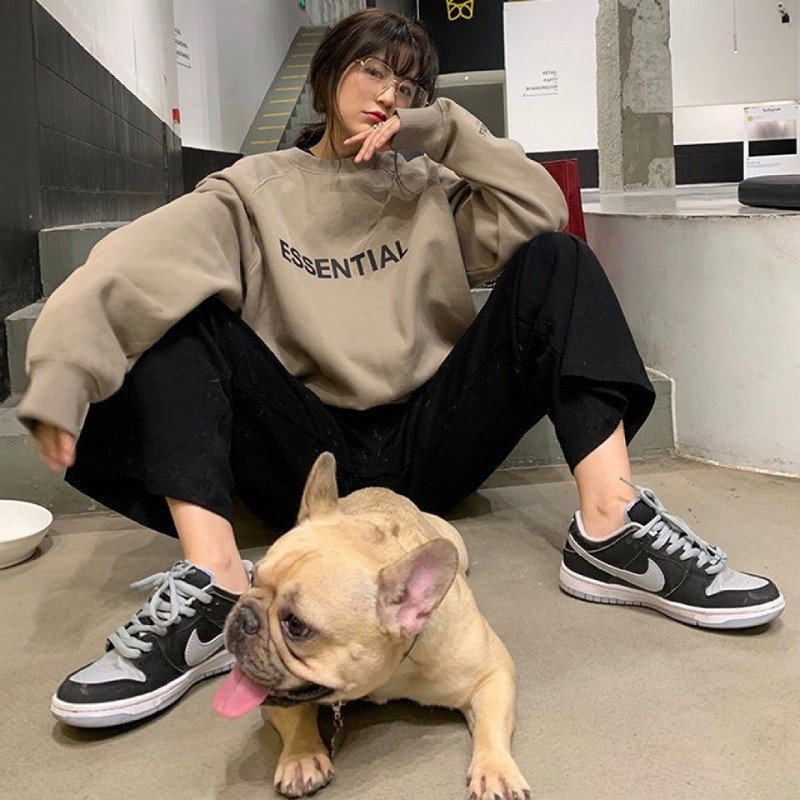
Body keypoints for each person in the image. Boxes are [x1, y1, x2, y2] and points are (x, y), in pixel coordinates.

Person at [19, 9, 783, 729]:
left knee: (558, 259)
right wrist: (61, 372)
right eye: (373, 71)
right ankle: (217, 584)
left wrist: (440, 131)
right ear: (328, 77)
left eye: (410, 87)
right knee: (181, 316)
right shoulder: (250, 192)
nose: (390, 94)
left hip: (430, 442)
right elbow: (131, 266)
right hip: (308, 462)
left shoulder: (430, 191)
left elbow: (540, 209)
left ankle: (611, 526)